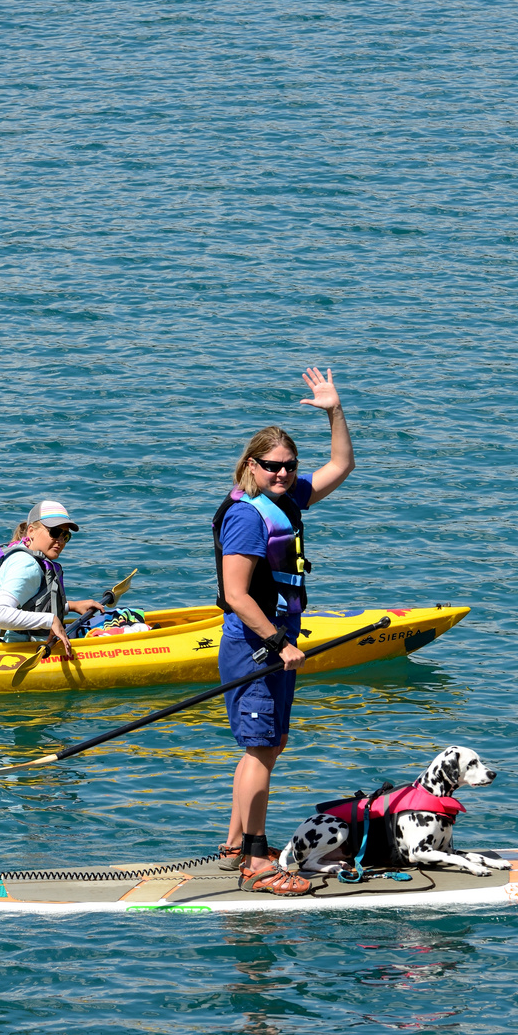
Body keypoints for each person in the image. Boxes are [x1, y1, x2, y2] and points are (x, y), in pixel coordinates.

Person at [213, 367, 355, 894]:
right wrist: (279, 642)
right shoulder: (246, 517)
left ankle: (234, 845)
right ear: (252, 465)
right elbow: (236, 594)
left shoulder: (288, 499)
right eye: (273, 467)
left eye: (290, 467)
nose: (283, 474)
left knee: (267, 744)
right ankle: (255, 861)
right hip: (255, 644)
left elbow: (342, 463)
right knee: (260, 748)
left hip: (275, 640)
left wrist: (334, 411)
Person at [0, 500, 101, 658]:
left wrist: (71, 606)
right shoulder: (27, 565)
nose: (60, 541)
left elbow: (27, 604)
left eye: (65, 536)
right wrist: (51, 620)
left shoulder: (22, 555)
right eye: (54, 532)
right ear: (31, 531)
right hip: (10, 649)